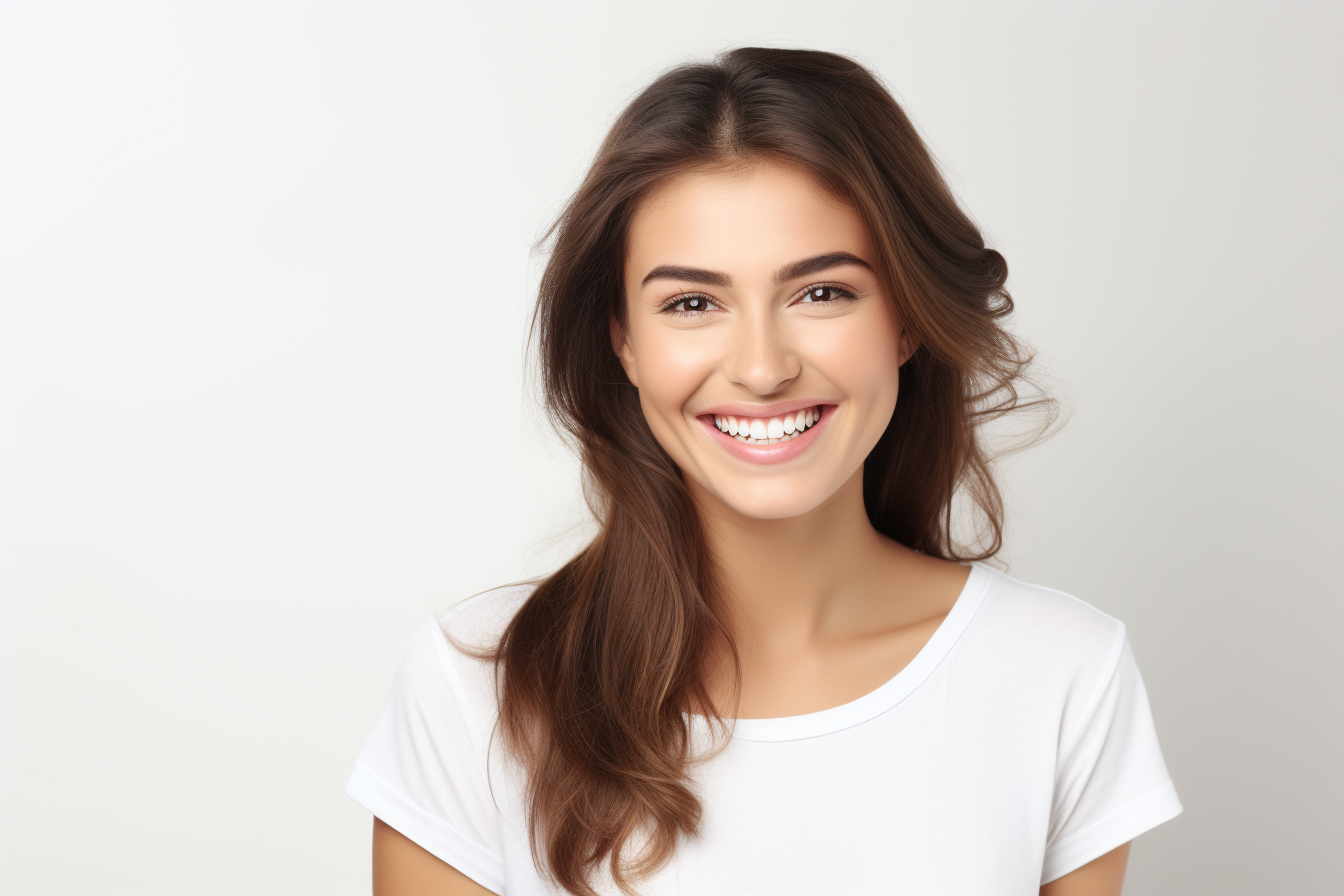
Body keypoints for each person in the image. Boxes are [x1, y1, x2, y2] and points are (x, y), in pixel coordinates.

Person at [345, 47, 1183, 896]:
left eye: (821, 293)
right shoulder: (478, 688)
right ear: (623, 341)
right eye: (692, 303)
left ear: (906, 319)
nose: (760, 367)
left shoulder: (1061, 673)